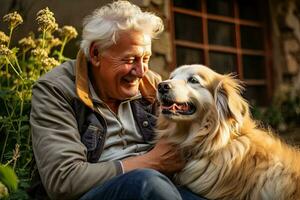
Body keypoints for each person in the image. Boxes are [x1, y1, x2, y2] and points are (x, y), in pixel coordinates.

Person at [30, 1, 206, 199]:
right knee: (146, 183)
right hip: (104, 192)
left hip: (159, 188)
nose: (141, 71)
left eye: (146, 59)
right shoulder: (56, 90)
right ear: (96, 54)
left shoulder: (150, 84)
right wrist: (152, 162)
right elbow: (64, 180)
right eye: (130, 60)